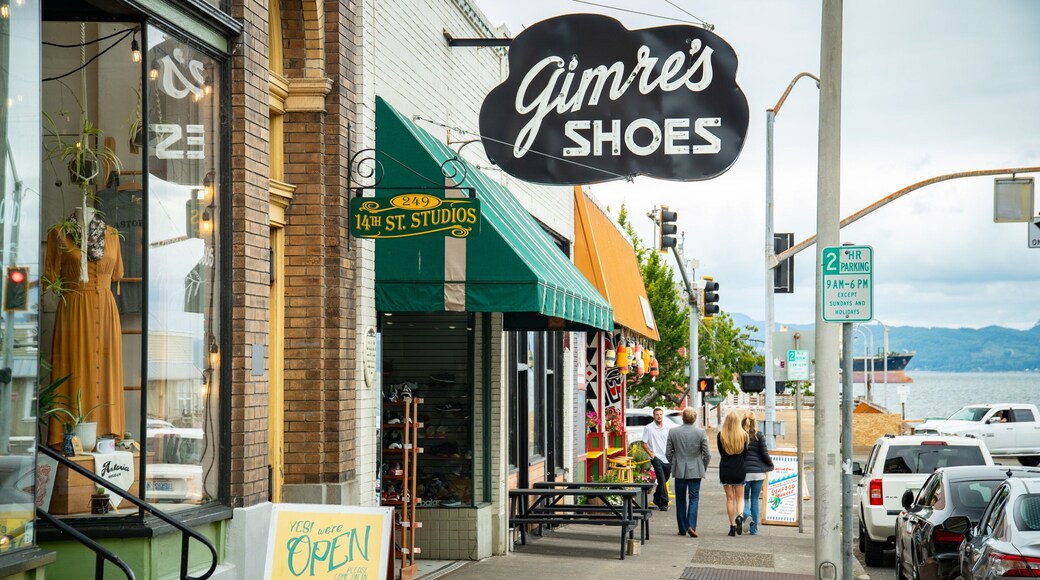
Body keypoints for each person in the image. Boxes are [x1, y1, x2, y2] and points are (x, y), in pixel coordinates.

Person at [666, 407, 711, 537]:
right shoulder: (701, 432)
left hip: (679, 468)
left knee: (680, 499)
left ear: (682, 418)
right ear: (695, 418)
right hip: (696, 469)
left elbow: (668, 453)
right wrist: (703, 466)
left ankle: (682, 528)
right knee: (694, 498)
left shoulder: (673, 432)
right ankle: (691, 526)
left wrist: (673, 462)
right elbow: (707, 454)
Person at [741, 412, 774, 535]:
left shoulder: (740, 436)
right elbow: (764, 453)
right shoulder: (759, 435)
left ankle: (747, 515)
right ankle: (754, 530)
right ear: (755, 422)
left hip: (744, 472)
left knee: (743, 498)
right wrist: (770, 465)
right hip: (759, 473)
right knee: (754, 499)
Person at [718, 411, 750, 536]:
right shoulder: (744, 436)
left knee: (730, 499)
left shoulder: (721, 435)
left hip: (725, 469)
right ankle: (740, 516)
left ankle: (732, 527)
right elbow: (745, 455)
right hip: (739, 469)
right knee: (740, 497)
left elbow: (721, 453)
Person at [641, 407, 674, 510]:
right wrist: (652, 455)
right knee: (661, 478)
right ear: (654, 416)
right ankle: (664, 503)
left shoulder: (667, 428)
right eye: (657, 414)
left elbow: (670, 443)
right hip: (656, 457)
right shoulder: (648, 428)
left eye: (660, 414)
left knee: (664, 479)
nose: (659, 416)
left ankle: (656, 498)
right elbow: (643, 443)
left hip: (667, 458)